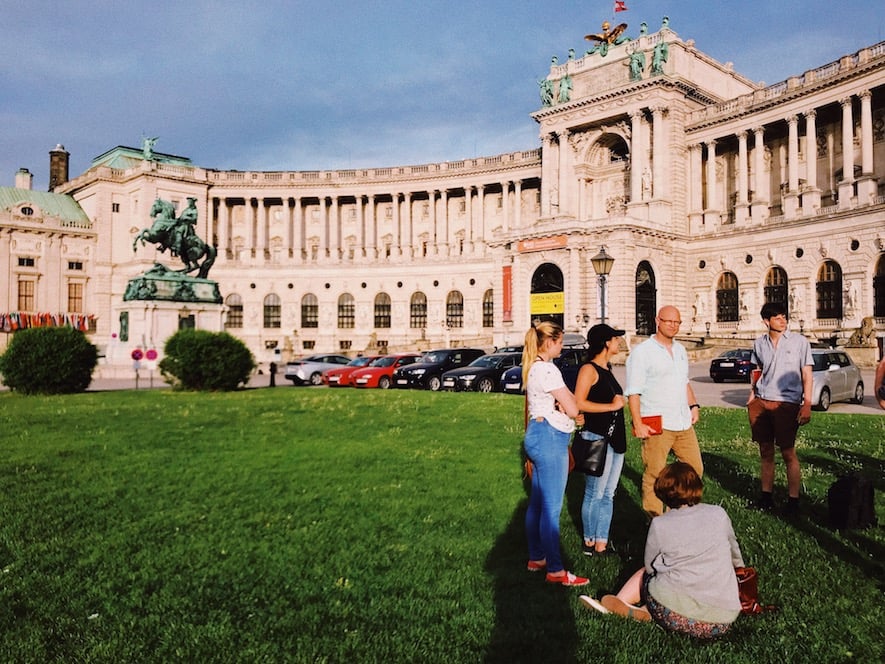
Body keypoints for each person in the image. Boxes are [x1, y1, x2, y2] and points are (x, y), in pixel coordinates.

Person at [579, 462, 745, 639]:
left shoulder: (660, 524)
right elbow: (734, 551)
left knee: (646, 574)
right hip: (722, 621)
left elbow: (651, 567)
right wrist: (739, 568)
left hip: (672, 613)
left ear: (662, 492)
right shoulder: (718, 514)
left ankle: (620, 602)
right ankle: (642, 611)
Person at [522, 321, 588, 587]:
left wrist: (563, 404)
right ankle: (556, 570)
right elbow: (573, 407)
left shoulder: (533, 367)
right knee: (551, 509)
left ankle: (536, 557)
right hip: (551, 438)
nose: (562, 347)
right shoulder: (548, 369)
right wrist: (569, 406)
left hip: (536, 436)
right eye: (560, 342)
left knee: (537, 503)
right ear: (549, 343)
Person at [625, 305, 703, 517]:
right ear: (657, 320)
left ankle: (677, 515)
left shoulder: (680, 350)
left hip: (683, 421)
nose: (673, 326)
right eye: (669, 321)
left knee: (694, 470)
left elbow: (684, 382)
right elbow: (633, 392)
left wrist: (693, 405)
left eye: (677, 322)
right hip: (656, 423)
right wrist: (638, 422)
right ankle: (655, 521)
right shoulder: (642, 353)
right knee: (654, 474)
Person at [748, 302, 813, 516]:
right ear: (766, 321)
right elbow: (756, 370)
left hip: (787, 403)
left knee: (788, 453)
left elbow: (807, 374)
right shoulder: (759, 344)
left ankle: (793, 501)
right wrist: (752, 396)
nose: (783, 320)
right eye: (777, 317)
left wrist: (807, 404)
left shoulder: (800, 342)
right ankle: (766, 497)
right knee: (765, 451)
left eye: (784, 316)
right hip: (762, 401)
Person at [573, 324, 627, 556]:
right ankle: (588, 541)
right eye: (615, 339)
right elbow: (578, 402)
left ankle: (602, 542)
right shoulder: (589, 369)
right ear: (606, 342)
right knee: (594, 492)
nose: (619, 342)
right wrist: (611, 406)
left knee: (608, 493)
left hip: (615, 440)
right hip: (597, 438)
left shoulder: (608, 369)